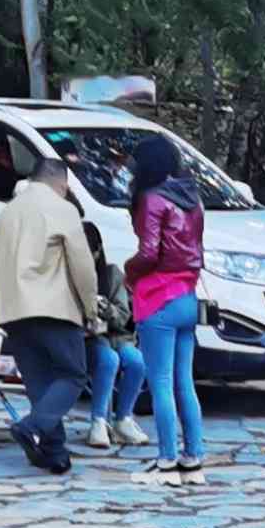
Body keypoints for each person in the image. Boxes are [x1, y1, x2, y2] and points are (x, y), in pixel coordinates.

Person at [0, 153, 101, 475]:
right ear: (61, 183)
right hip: (52, 306)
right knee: (74, 374)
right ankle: (33, 426)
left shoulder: (5, 215)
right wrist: (90, 308)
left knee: (40, 382)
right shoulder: (62, 209)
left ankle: (54, 452)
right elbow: (82, 265)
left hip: (13, 310)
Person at [126, 131, 208, 481]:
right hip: (188, 295)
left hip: (158, 296)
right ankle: (194, 458)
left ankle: (166, 461)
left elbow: (149, 253)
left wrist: (129, 272)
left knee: (159, 381)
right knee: (183, 381)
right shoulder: (193, 198)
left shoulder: (152, 199)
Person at [83, 236, 147, 453]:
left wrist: (105, 308)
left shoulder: (111, 275)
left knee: (136, 361)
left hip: (117, 335)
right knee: (108, 360)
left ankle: (123, 419)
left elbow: (122, 315)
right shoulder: (70, 274)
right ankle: (98, 421)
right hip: (88, 338)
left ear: (97, 251)